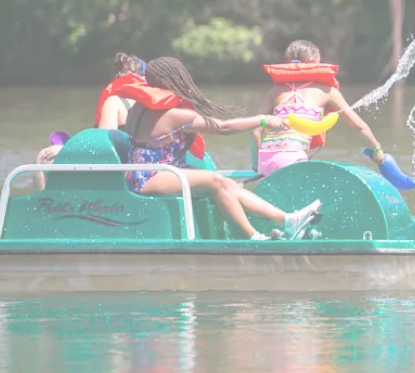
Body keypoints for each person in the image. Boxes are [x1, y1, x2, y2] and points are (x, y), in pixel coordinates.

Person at [125, 56, 322, 240]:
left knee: (228, 184)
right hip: (148, 177)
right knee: (216, 180)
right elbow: (223, 127)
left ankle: (288, 221)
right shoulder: (174, 115)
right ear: (174, 81)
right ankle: (254, 237)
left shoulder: (137, 108)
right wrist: (263, 119)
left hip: (153, 172)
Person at [253, 40, 387, 176]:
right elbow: (359, 126)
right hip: (293, 158)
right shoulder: (327, 91)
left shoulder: (275, 91)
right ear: (314, 64)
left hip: (265, 159)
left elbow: (255, 131)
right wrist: (377, 151)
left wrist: (256, 165)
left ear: (288, 61)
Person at [35, 52, 146, 189]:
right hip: (145, 162)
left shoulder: (114, 102)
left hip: (119, 171)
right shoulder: (153, 103)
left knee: (42, 158)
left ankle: (45, 206)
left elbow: (103, 150)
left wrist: (64, 150)